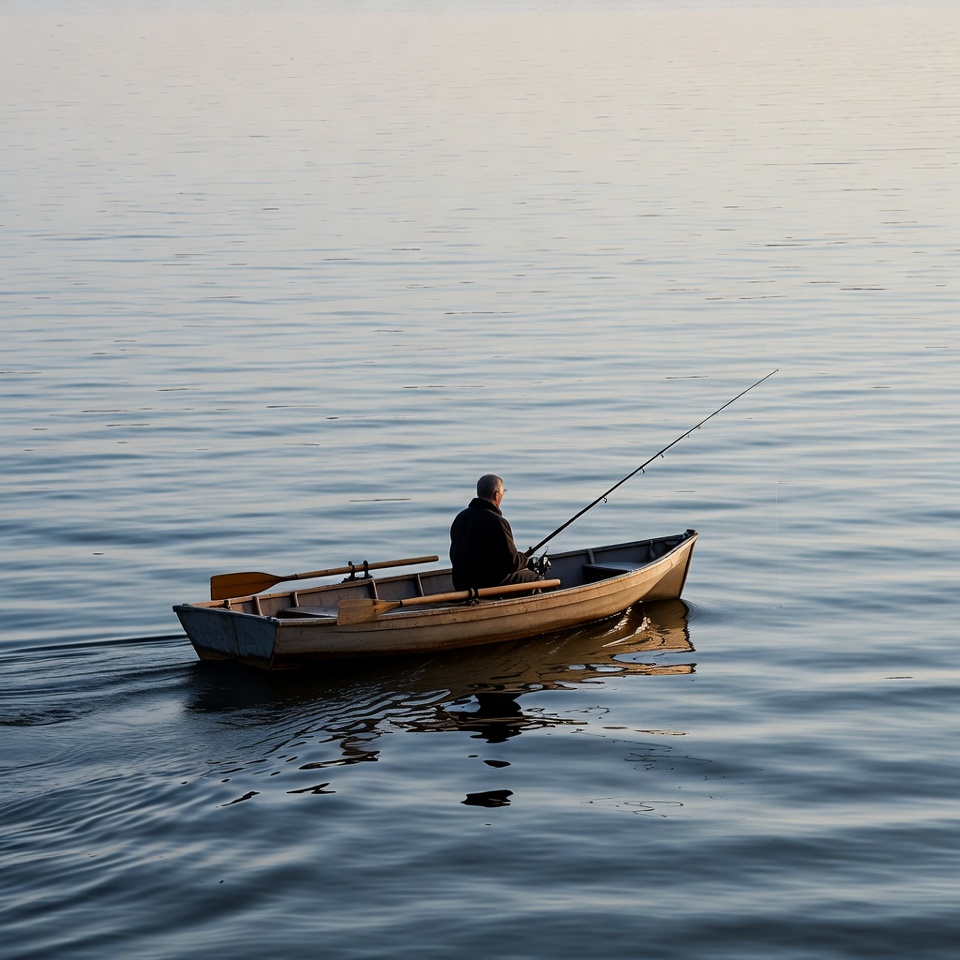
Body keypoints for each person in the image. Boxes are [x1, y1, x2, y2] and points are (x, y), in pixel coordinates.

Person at [449, 474, 542, 591]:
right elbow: (512, 563)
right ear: (496, 494)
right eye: (503, 492)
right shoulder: (497, 522)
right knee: (536, 579)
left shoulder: (461, 517)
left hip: (461, 583)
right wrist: (525, 561)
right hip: (486, 585)